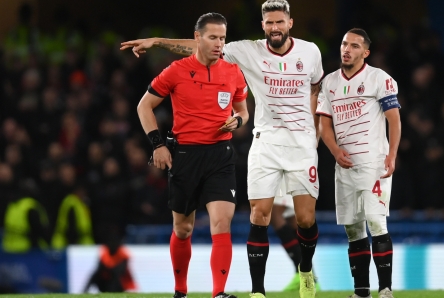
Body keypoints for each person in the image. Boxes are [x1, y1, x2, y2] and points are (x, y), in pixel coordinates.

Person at [121, 1, 323, 297]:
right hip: (196, 154)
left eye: (280, 21)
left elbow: (252, 106)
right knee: (188, 228)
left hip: (228, 154)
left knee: (230, 222)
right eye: (269, 22)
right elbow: (149, 101)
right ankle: (187, 291)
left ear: (290, 22)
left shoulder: (297, 55)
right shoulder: (201, 64)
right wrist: (158, 43)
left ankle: (226, 292)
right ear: (263, 25)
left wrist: (243, 120)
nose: (275, 27)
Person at [135, 12, 249, 298]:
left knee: (222, 222)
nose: (219, 44)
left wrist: (238, 121)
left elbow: (243, 112)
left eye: (222, 38)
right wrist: (158, 145)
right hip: (185, 155)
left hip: (221, 155)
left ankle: (219, 293)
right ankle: (180, 291)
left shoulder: (233, 72)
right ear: (197, 38)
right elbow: (144, 107)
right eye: (213, 37)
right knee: (183, 228)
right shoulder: (176, 70)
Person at [316, 28, 400, 298]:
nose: (346, 49)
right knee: (353, 228)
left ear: (365, 53)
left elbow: (394, 120)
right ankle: (361, 291)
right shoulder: (329, 83)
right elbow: (324, 124)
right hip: (345, 166)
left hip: (373, 163)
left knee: (376, 222)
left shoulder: (379, 79)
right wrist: (334, 150)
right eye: (344, 44)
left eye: (354, 46)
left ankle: (385, 289)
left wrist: (392, 154)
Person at [83, 227, 137, 293]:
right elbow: (99, 268)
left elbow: (121, 271)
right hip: (107, 281)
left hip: (122, 284)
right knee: (95, 274)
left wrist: (109, 267)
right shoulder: (105, 251)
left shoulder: (122, 253)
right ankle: (85, 291)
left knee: (115, 277)